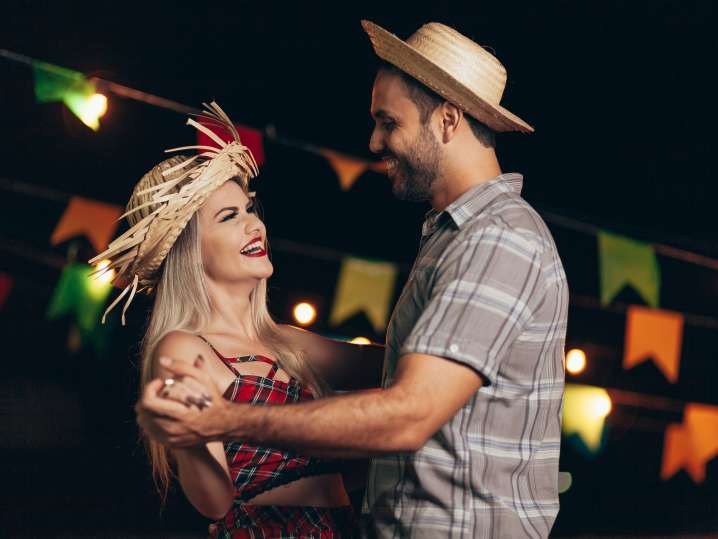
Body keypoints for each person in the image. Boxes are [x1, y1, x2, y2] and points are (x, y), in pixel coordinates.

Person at [137, 21, 569, 538]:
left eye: (388, 121)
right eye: (229, 216)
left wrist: (225, 420)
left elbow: (407, 411)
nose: (374, 141)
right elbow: (397, 379)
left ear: (448, 120)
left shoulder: (493, 237)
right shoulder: (449, 239)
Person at [91, 102, 384, 537]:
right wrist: (190, 434)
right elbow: (213, 501)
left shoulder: (289, 343)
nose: (255, 225)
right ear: (190, 251)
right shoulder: (184, 347)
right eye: (229, 216)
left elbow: (403, 369)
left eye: (249, 209)